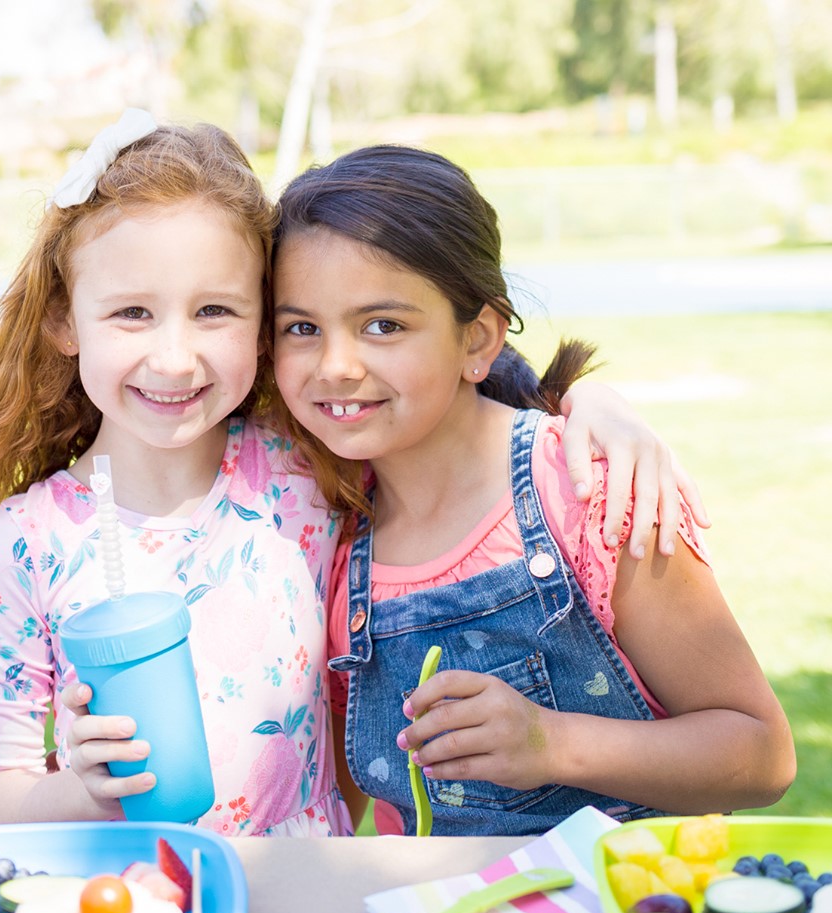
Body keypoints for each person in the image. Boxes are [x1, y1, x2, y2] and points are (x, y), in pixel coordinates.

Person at [0, 111, 709, 836]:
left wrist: (587, 404)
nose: (173, 355)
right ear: (64, 320)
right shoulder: (24, 544)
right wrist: (80, 791)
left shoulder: (304, 469)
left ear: (264, 326)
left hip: (310, 892)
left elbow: (440, 405)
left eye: (214, 311)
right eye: (132, 312)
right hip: (133, 911)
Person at [266, 143, 796, 836]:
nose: (335, 365)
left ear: (479, 339)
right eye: (301, 328)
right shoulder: (325, 532)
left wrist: (552, 743)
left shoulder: (589, 494)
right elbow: (346, 804)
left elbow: (762, 754)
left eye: (384, 325)